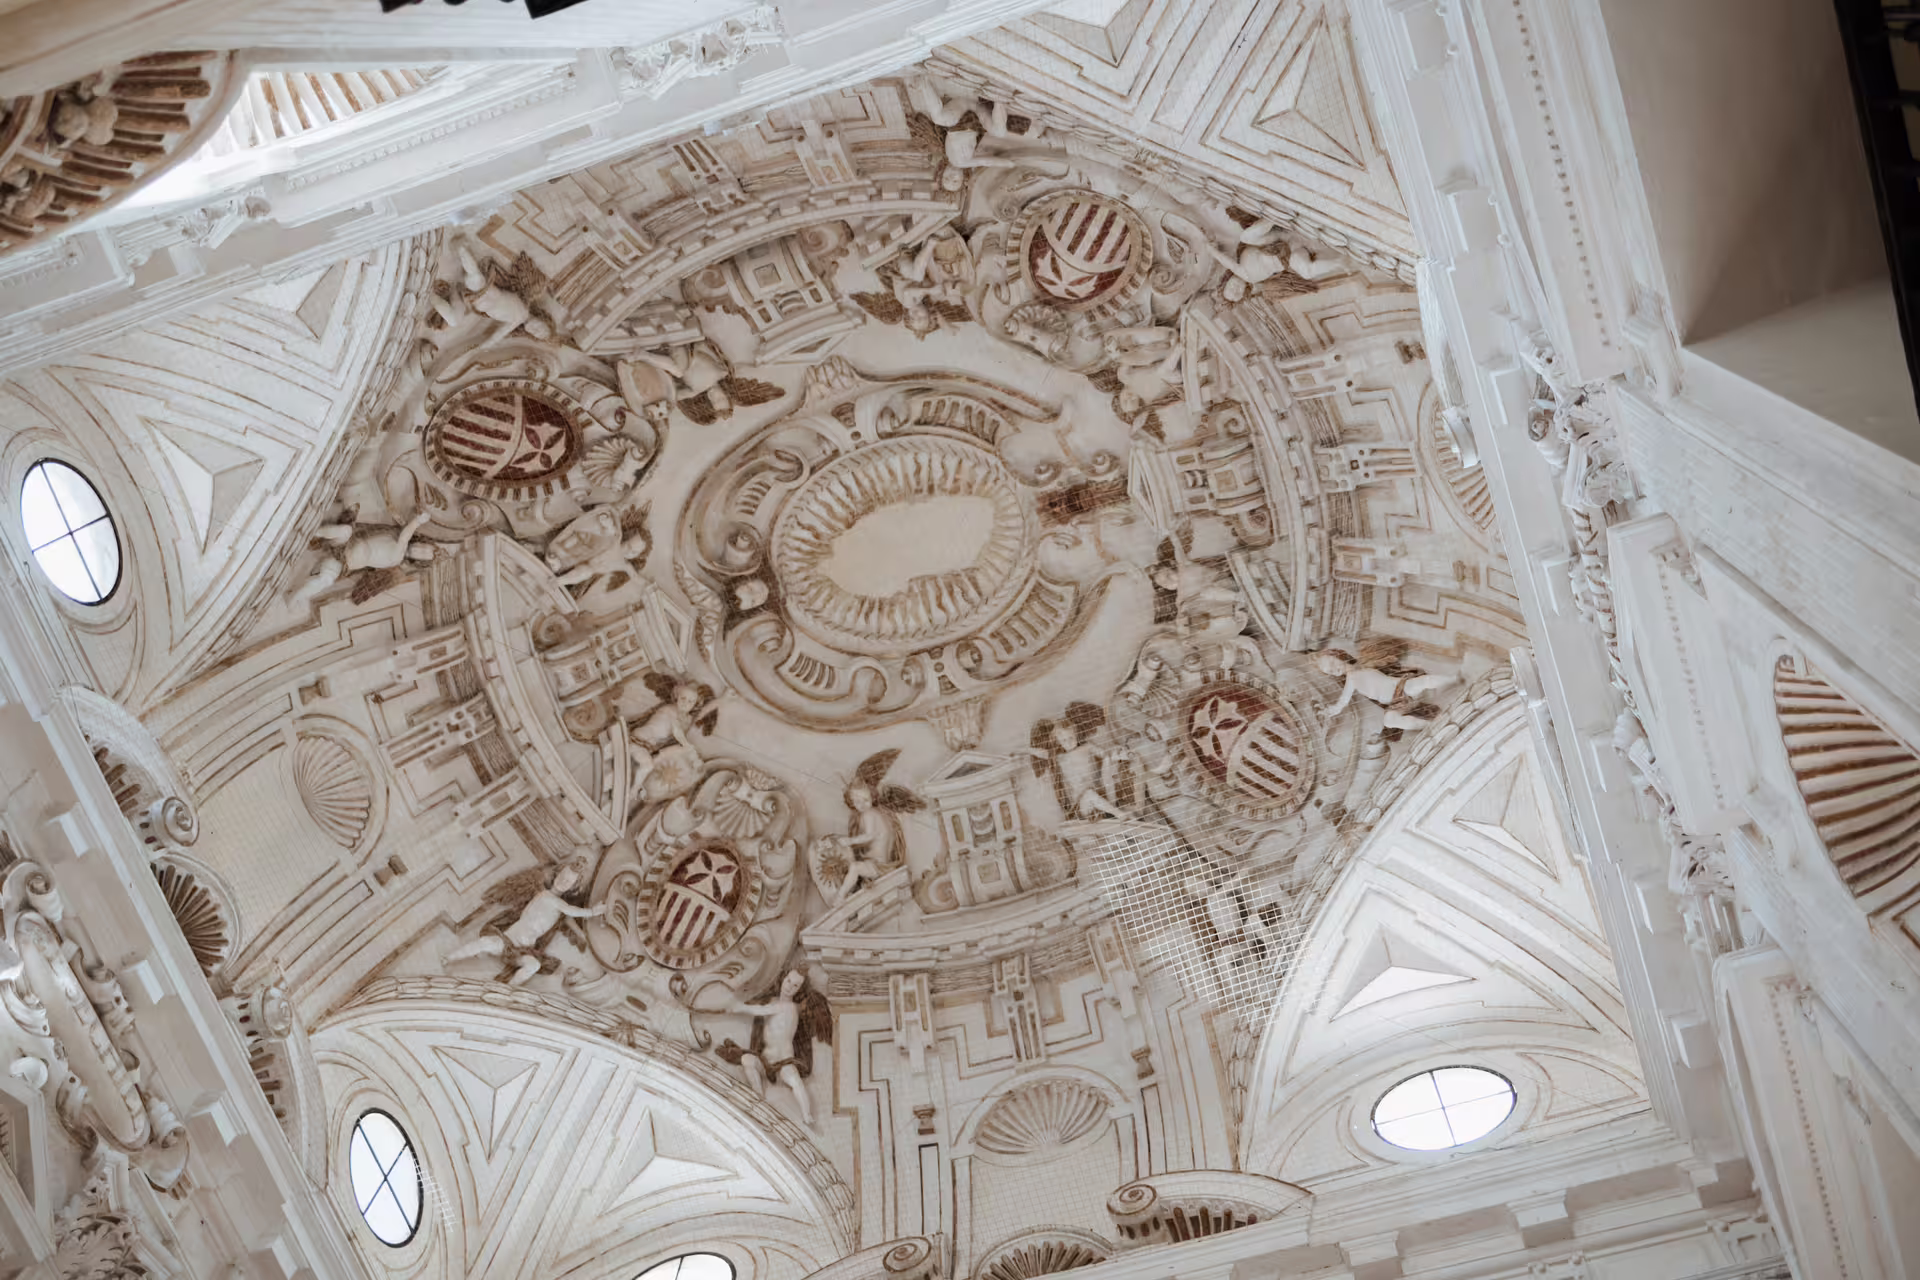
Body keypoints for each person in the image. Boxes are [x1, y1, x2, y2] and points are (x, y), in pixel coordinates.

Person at [445, 860, 606, 986]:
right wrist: (592, 912)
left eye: (569, 881)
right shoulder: (548, 897)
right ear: (557, 873)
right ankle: (450, 957)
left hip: (522, 951)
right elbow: (572, 910)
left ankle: (507, 988)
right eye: (563, 875)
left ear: (573, 887)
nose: (564, 880)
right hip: (508, 941)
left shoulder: (559, 906)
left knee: (533, 966)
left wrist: (585, 924)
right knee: (485, 943)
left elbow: (570, 913)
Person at [715, 968, 834, 1127]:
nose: (789, 986)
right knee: (747, 1060)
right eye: (788, 980)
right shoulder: (772, 1002)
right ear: (783, 978)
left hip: (784, 1061)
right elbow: (760, 1007)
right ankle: (759, 1098)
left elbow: (759, 1010)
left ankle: (807, 1114)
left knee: (795, 1081)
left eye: (795, 985)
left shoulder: (789, 1007)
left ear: (799, 990)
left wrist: (739, 1006)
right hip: (765, 1060)